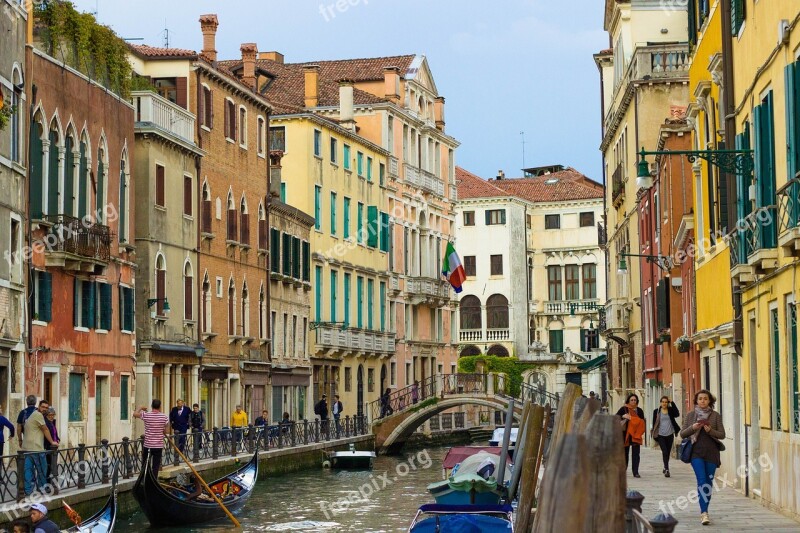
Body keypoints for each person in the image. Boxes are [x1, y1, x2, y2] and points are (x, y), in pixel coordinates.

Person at [680, 389, 726, 526]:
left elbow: (722, 434)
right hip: (696, 453)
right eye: (700, 399)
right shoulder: (690, 415)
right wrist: (693, 427)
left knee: (708, 483)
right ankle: (704, 512)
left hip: (711, 453)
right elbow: (682, 434)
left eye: (705, 399)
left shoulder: (715, 416)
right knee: (701, 480)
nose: (703, 401)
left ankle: (705, 509)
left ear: (709, 401)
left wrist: (710, 431)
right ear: (696, 401)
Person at [22, 400, 58, 496]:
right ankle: (41, 490)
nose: (45, 409)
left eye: (46, 408)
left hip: (27, 448)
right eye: (43, 407)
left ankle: (28, 492)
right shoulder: (38, 415)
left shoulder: (33, 414)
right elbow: (45, 429)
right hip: (36, 448)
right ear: (39, 406)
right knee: (42, 470)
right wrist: (52, 442)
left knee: (28, 471)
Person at [133, 399, 170, 473]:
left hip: (148, 445)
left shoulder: (146, 415)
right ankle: (154, 480)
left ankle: (144, 479)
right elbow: (166, 431)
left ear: (151, 406)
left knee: (145, 465)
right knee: (155, 467)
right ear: (160, 407)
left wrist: (140, 407)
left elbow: (135, 414)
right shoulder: (164, 417)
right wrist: (161, 428)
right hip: (158, 446)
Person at [616, 393, 645, 478]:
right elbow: (615, 418)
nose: (633, 401)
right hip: (625, 435)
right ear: (628, 401)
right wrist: (623, 416)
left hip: (636, 434)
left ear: (637, 401)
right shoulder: (623, 409)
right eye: (631, 400)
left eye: (635, 400)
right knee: (625, 453)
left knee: (636, 454)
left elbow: (642, 422)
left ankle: (635, 472)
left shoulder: (639, 411)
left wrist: (632, 419)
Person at [651, 396, 681, 478]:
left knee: (667, 452)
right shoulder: (656, 411)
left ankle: (665, 466)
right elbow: (654, 423)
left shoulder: (670, 410)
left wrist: (672, 402)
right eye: (663, 402)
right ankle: (667, 469)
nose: (664, 403)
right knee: (664, 451)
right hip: (660, 435)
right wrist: (653, 434)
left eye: (666, 402)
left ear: (667, 403)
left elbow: (677, 414)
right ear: (660, 403)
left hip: (670, 434)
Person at [43, 408, 59, 483]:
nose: (51, 417)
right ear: (46, 415)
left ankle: (52, 482)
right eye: (50, 415)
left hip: (54, 447)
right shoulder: (46, 423)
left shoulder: (52, 423)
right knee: (49, 466)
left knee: (53, 465)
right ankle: (48, 482)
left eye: (53, 415)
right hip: (48, 447)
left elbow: (55, 433)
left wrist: (58, 439)